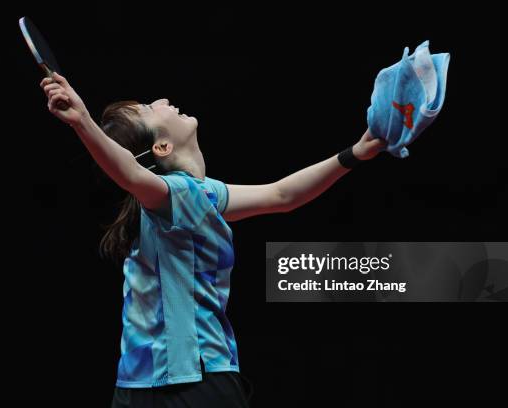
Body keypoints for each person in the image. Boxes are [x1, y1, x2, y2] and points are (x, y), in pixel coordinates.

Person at [40, 72, 387, 407]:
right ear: (162, 146)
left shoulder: (202, 194)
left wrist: (354, 153)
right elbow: (130, 173)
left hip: (149, 385)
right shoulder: (175, 193)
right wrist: (81, 121)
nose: (162, 100)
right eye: (149, 108)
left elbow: (282, 195)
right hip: (186, 385)